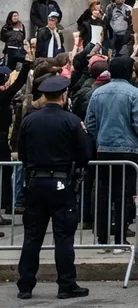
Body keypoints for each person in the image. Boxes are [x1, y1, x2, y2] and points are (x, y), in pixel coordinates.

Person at [15, 76, 92, 301]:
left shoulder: (30, 120)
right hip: (61, 182)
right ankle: (66, 284)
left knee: (32, 236)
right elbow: (85, 154)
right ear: (63, 95)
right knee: (63, 237)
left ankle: (25, 284)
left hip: (35, 182)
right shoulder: (71, 121)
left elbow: (22, 153)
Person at [83, 56, 138, 247]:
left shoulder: (98, 93)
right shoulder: (135, 94)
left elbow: (90, 124)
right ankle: (120, 235)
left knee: (104, 193)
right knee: (125, 194)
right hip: (130, 151)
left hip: (104, 149)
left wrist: (101, 136)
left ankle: (103, 237)